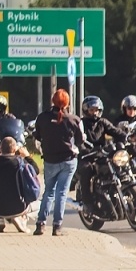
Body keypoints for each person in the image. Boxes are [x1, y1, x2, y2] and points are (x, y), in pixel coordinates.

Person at [31, 88, 87, 236]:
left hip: (50, 160)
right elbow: (81, 141)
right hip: (68, 161)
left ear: (52, 101)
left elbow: (37, 137)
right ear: (68, 103)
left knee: (48, 192)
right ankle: (57, 226)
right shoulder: (74, 120)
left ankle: (40, 224)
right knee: (61, 193)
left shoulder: (42, 118)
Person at [0, 136, 38, 233]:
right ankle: (22, 218)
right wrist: (27, 156)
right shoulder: (20, 162)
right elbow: (35, 170)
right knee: (41, 204)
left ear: (0, 149)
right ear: (14, 149)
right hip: (20, 207)